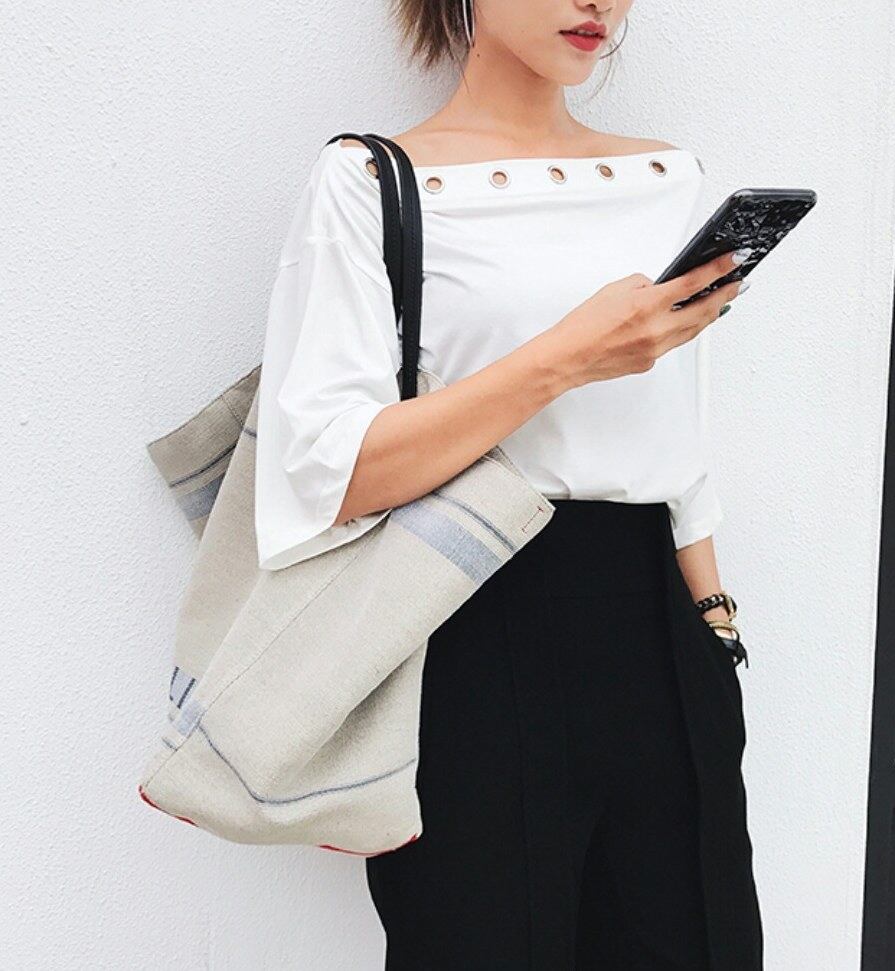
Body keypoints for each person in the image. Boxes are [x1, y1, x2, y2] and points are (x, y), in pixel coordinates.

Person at [254, 1, 764, 967]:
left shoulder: (666, 181)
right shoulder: (372, 181)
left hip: (659, 634)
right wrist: (568, 356)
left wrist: (712, 625)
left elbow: (680, 430)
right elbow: (333, 471)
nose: (597, 2)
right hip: (466, 638)